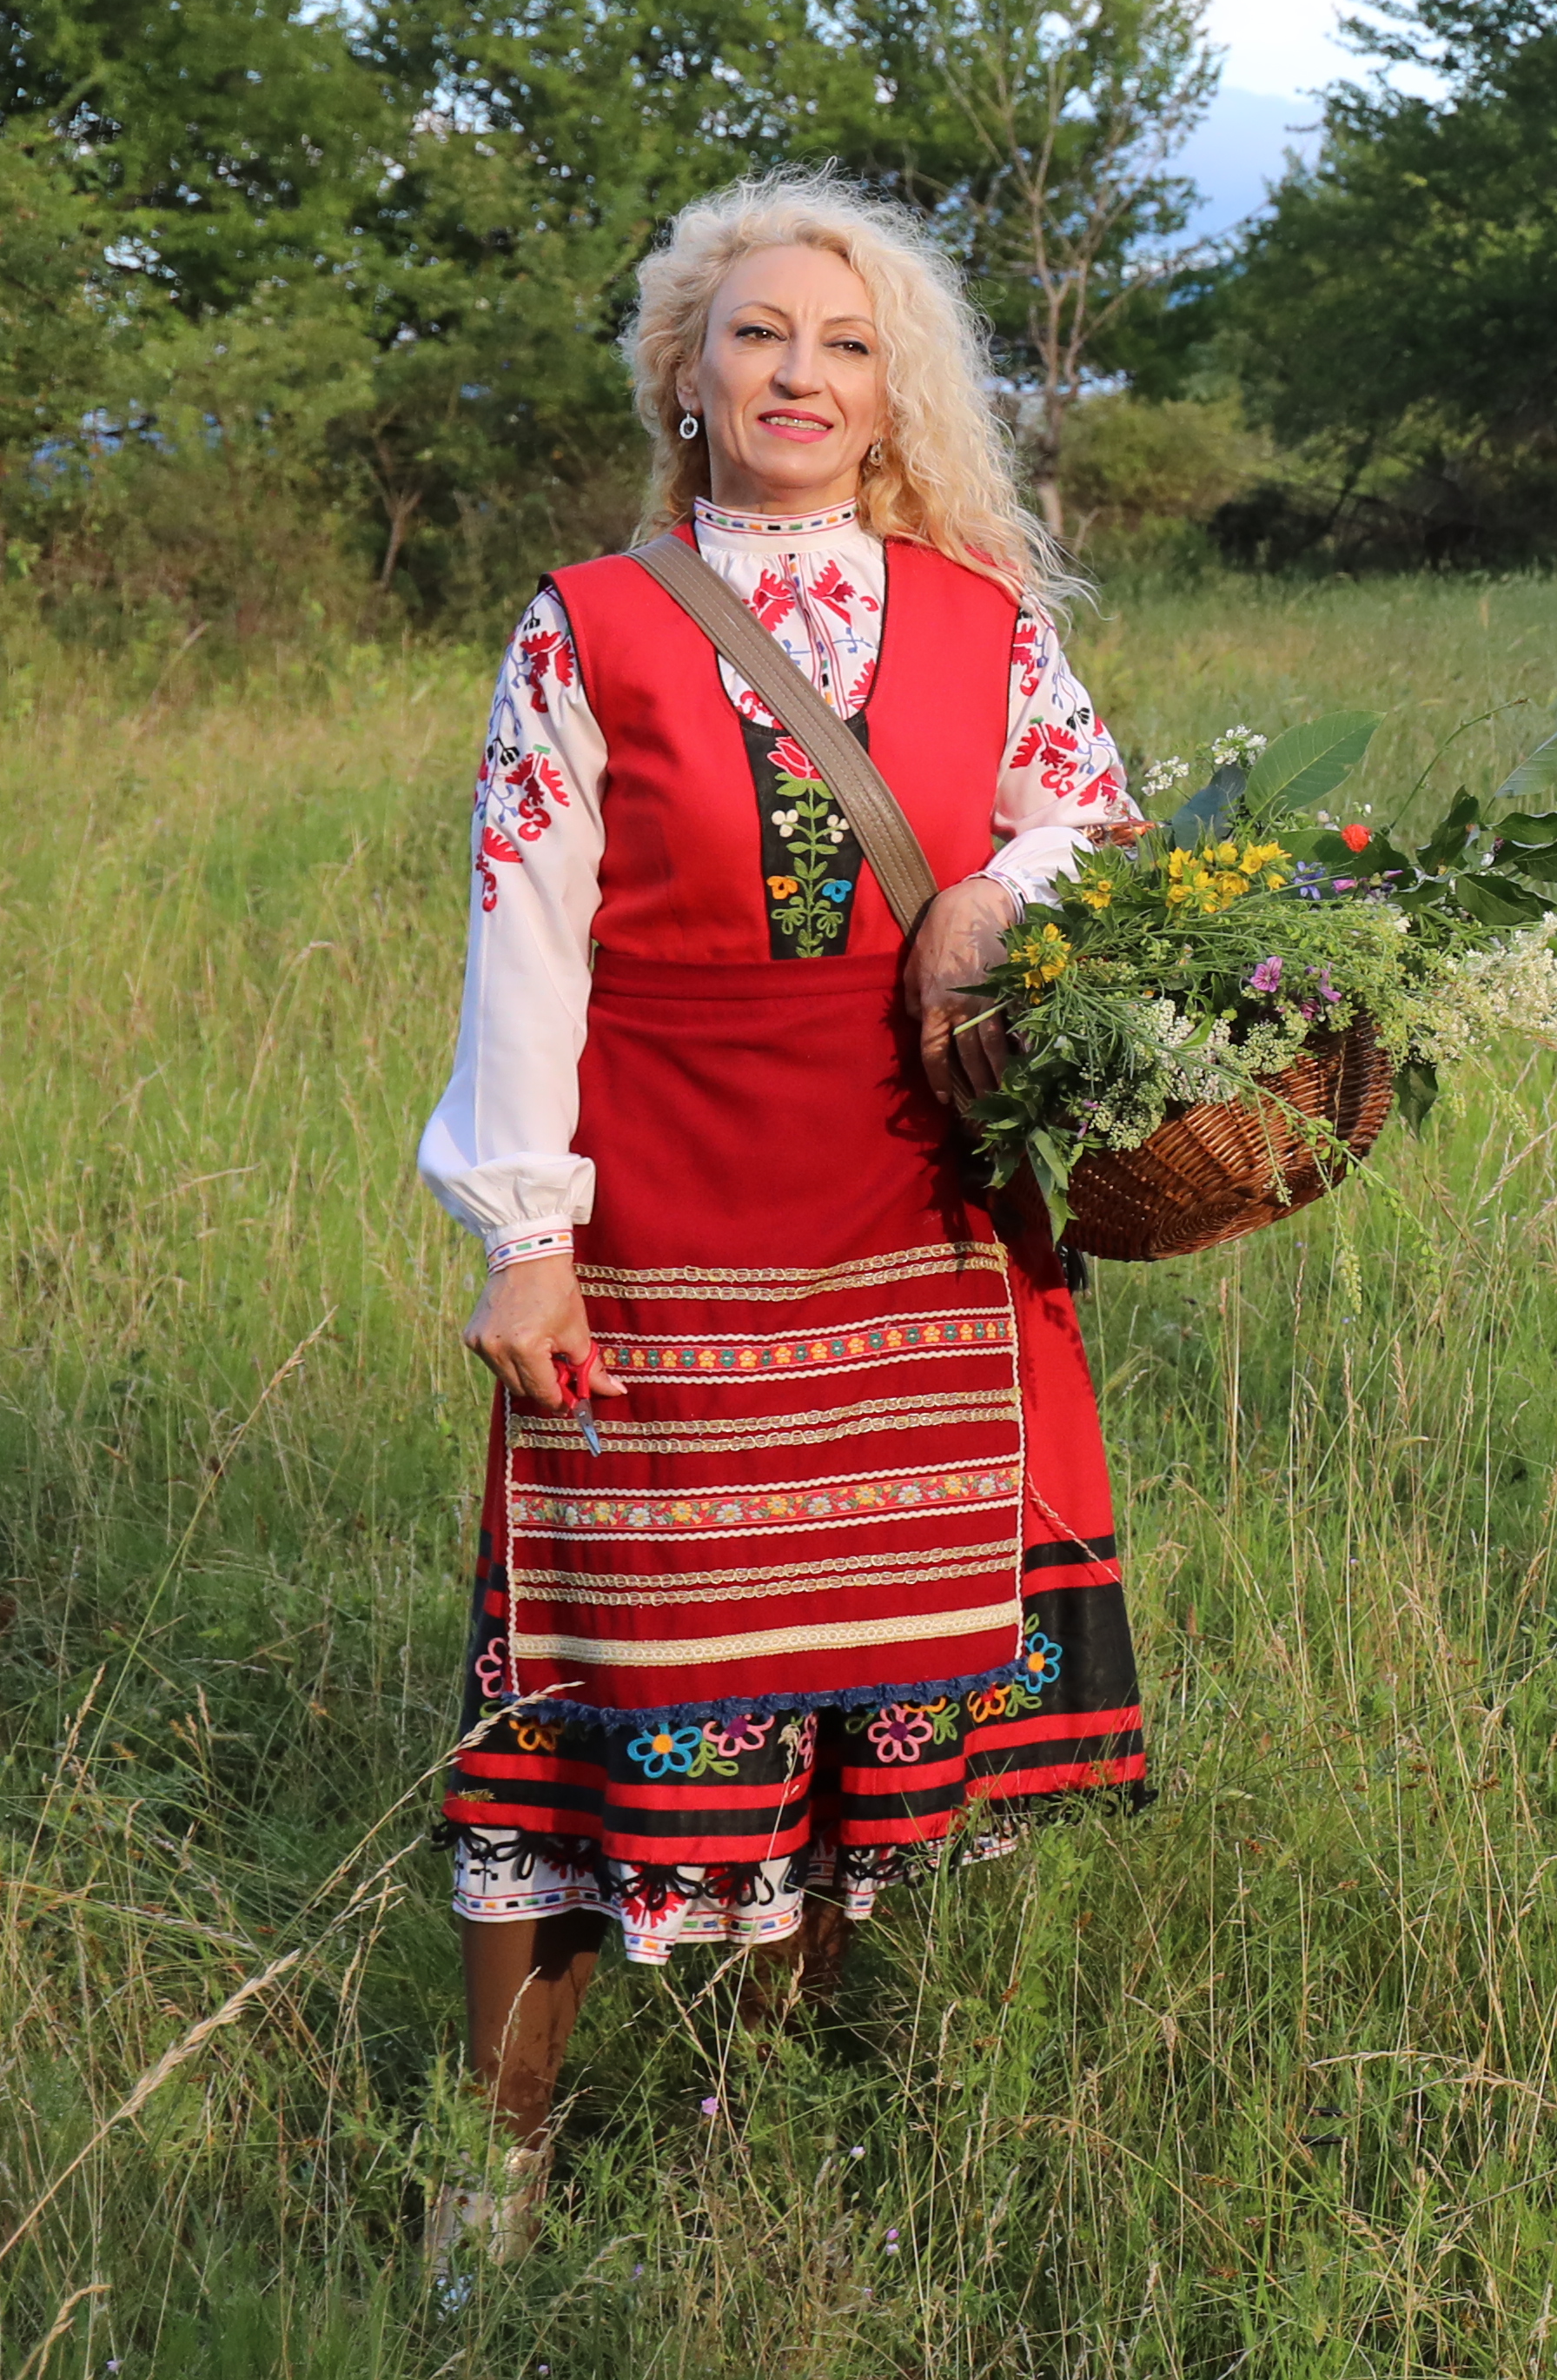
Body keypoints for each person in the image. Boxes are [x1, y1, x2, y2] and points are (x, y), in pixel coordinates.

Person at [415, 176, 1143, 2248]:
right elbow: (522, 934)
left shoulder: (986, 619)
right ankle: (491, 2192)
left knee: (861, 1689)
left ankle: (781, 2144)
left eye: (841, 342)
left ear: (891, 387)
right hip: (653, 1213)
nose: (798, 373)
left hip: (917, 1214)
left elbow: (1094, 808)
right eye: (756, 335)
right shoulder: (590, 622)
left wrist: (997, 888)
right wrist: (522, 1226)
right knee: (592, 1687)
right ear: (684, 374)